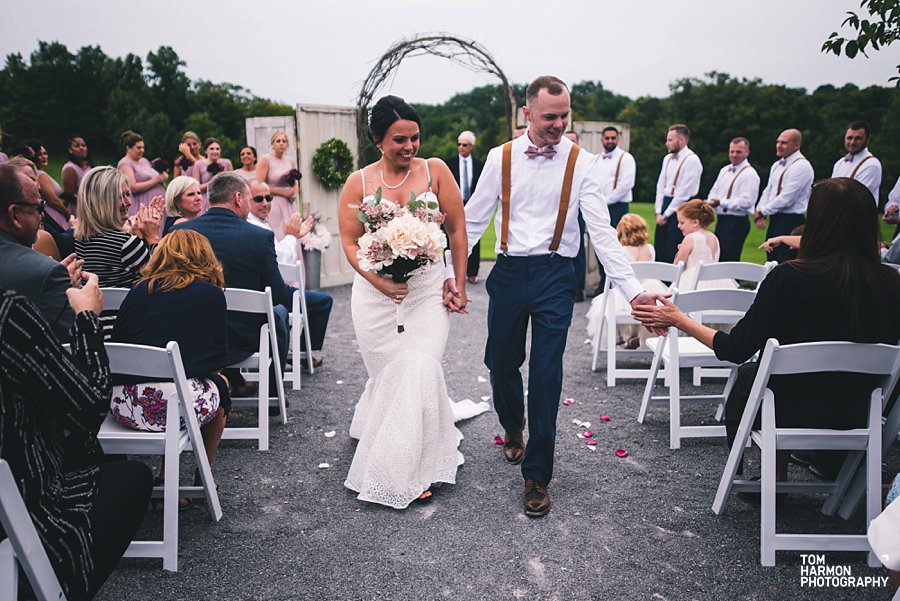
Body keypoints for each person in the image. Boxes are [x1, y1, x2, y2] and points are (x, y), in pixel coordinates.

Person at [459, 76, 658, 517]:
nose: (558, 124)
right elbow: (472, 221)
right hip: (509, 272)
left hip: (555, 275)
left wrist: (634, 292)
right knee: (501, 363)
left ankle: (537, 474)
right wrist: (449, 276)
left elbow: (602, 234)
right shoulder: (500, 157)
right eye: (550, 116)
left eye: (564, 115)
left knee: (547, 374)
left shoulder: (583, 163)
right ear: (527, 113)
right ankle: (512, 425)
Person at [633, 177, 900, 486]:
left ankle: (776, 475)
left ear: (816, 223)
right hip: (861, 410)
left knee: (757, 376)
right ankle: (843, 468)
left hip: (788, 409)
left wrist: (680, 320)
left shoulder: (788, 278)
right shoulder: (891, 283)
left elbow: (736, 348)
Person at [337, 95, 483, 509]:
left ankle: (398, 472)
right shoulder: (359, 182)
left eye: (415, 138)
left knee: (419, 364)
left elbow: (457, 231)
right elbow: (349, 241)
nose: (410, 146)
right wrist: (377, 281)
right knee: (390, 372)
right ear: (377, 140)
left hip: (426, 292)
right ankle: (382, 426)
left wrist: (458, 281)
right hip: (374, 296)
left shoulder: (436, 171)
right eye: (399, 139)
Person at [0, 273, 153, 601]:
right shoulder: (8, 313)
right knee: (133, 477)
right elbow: (89, 405)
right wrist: (87, 317)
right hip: (20, 517)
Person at [110, 230, 230, 508]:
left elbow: (118, 343)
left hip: (124, 406)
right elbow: (216, 360)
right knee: (219, 384)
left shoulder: (138, 291)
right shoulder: (210, 295)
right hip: (173, 409)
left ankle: (167, 478)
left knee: (176, 388)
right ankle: (202, 476)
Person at [172, 172, 332, 374]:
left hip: (194, 332)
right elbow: (278, 295)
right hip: (245, 337)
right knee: (280, 313)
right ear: (238, 198)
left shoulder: (180, 232)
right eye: (250, 199)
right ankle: (273, 386)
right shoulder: (259, 237)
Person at [0, 163, 80, 338]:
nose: (42, 215)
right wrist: (85, 307)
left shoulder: (46, 272)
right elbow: (75, 344)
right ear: (15, 215)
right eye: (39, 207)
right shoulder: (47, 272)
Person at [586, 213, 666, 350]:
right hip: (649, 290)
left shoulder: (621, 251)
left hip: (629, 293)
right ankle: (634, 335)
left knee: (610, 305)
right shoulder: (650, 248)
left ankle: (620, 336)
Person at [752, 129, 814, 263]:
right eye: (778, 142)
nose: (779, 145)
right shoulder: (777, 165)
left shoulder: (802, 166)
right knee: (772, 258)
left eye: (784, 143)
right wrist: (760, 209)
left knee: (786, 260)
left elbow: (787, 197)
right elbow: (769, 190)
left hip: (792, 220)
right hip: (776, 219)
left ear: (796, 145)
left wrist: (763, 211)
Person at [588, 125, 637, 297]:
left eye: (613, 138)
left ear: (618, 139)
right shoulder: (595, 160)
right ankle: (603, 283)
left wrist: (604, 201)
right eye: (607, 138)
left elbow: (625, 185)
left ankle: (618, 286)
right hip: (599, 208)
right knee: (600, 243)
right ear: (601, 139)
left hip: (617, 207)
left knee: (617, 246)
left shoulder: (626, 158)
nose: (610, 141)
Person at [704, 137, 760, 263]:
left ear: (747, 152)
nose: (734, 155)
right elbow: (715, 189)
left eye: (738, 152)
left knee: (729, 257)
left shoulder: (750, 174)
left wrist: (721, 202)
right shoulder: (724, 170)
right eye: (732, 151)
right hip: (722, 220)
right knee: (718, 256)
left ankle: (732, 276)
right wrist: (710, 201)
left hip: (737, 221)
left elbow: (747, 202)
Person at [654, 124, 703, 264]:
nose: (666, 143)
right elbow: (660, 186)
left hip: (683, 207)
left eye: (670, 140)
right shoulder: (667, 158)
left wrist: (666, 214)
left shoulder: (692, 160)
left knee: (673, 249)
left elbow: (683, 193)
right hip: (665, 204)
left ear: (681, 140)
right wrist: (658, 211)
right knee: (660, 248)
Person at [443, 130, 484, 284]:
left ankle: (472, 272)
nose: (461, 147)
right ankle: (450, 272)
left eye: (465, 145)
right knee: (450, 237)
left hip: (473, 204)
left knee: (473, 236)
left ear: (471, 146)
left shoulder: (480, 165)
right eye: (459, 144)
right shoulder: (449, 164)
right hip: (454, 204)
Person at [673, 199, 736, 290]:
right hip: (714, 281)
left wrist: (680, 251)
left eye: (682, 222)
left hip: (693, 283)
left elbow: (677, 267)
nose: (678, 226)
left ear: (695, 222)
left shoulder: (690, 238)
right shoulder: (714, 237)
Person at [247, 178, 312, 264]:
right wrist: (291, 236)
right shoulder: (252, 225)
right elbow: (281, 259)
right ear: (246, 200)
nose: (265, 203)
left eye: (268, 198)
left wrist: (294, 235)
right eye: (258, 199)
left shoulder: (259, 221)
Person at [255, 131, 299, 241]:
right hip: (273, 202)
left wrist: (294, 192)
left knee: (291, 233)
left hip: (289, 204)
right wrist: (283, 192)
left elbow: (295, 182)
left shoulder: (290, 160)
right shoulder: (265, 159)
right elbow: (259, 186)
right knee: (278, 234)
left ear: (287, 144)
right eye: (278, 141)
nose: (281, 143)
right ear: (273, 144)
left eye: (284, 141)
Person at [117, 130, 168, 219]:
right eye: (138, 148)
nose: (142, 150)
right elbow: (132, 187)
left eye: (143, 147)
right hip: (142, 204)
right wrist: (157, 180)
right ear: (128, 148)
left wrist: (162, 178)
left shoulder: (144, 161)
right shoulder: (125, 164)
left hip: (157, 205)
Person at [830, 120, 881, 204]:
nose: (852, 142)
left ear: (867, 139)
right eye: (849, 138)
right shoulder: (840, 163)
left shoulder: (871, 165)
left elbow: (859, 197)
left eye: (858, 138)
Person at [192, 137, 233, 213]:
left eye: (217, 149)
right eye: (212, 149)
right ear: (205, 151)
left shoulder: (227, 163)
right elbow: (196, 187)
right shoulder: (198, 164)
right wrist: (215, 180)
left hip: (224, 199)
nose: (215, 151)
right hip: (206, 200)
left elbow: (233, 183)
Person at [61, 134, 93, 216]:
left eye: (83, 145)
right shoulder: (70, 168)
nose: (81, 148)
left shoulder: (89, 166)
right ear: (70, 150)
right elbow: (69, 195)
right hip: (78, 209)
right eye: (77, 146)